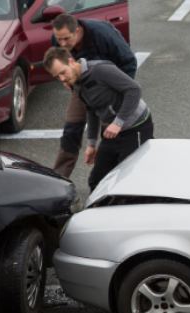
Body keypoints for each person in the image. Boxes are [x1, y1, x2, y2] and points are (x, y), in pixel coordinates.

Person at [43, 47, 154, 191]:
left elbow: (134, 89)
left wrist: (118, 123)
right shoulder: (76, 82)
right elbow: (91, 109)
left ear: (71, 61)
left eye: (63, 72)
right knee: (97, 181)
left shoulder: (99, 70)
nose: (62, 79)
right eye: (57, 77)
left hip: (135, 126)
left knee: (128, 180)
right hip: (112, 131)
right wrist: (91, 144)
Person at [50, 14, 137, 178]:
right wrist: (67, 82)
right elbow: (59, 62)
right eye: (58, 39)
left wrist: (117, 95)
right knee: (71, 132)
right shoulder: (58, 39)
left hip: (108, 89)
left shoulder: (103, 35)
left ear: (77, 31)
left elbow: (129, 63)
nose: (62, 44)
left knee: (110, 137)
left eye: (66, 39)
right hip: (81, 88)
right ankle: (59, 182)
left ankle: (117, 180)